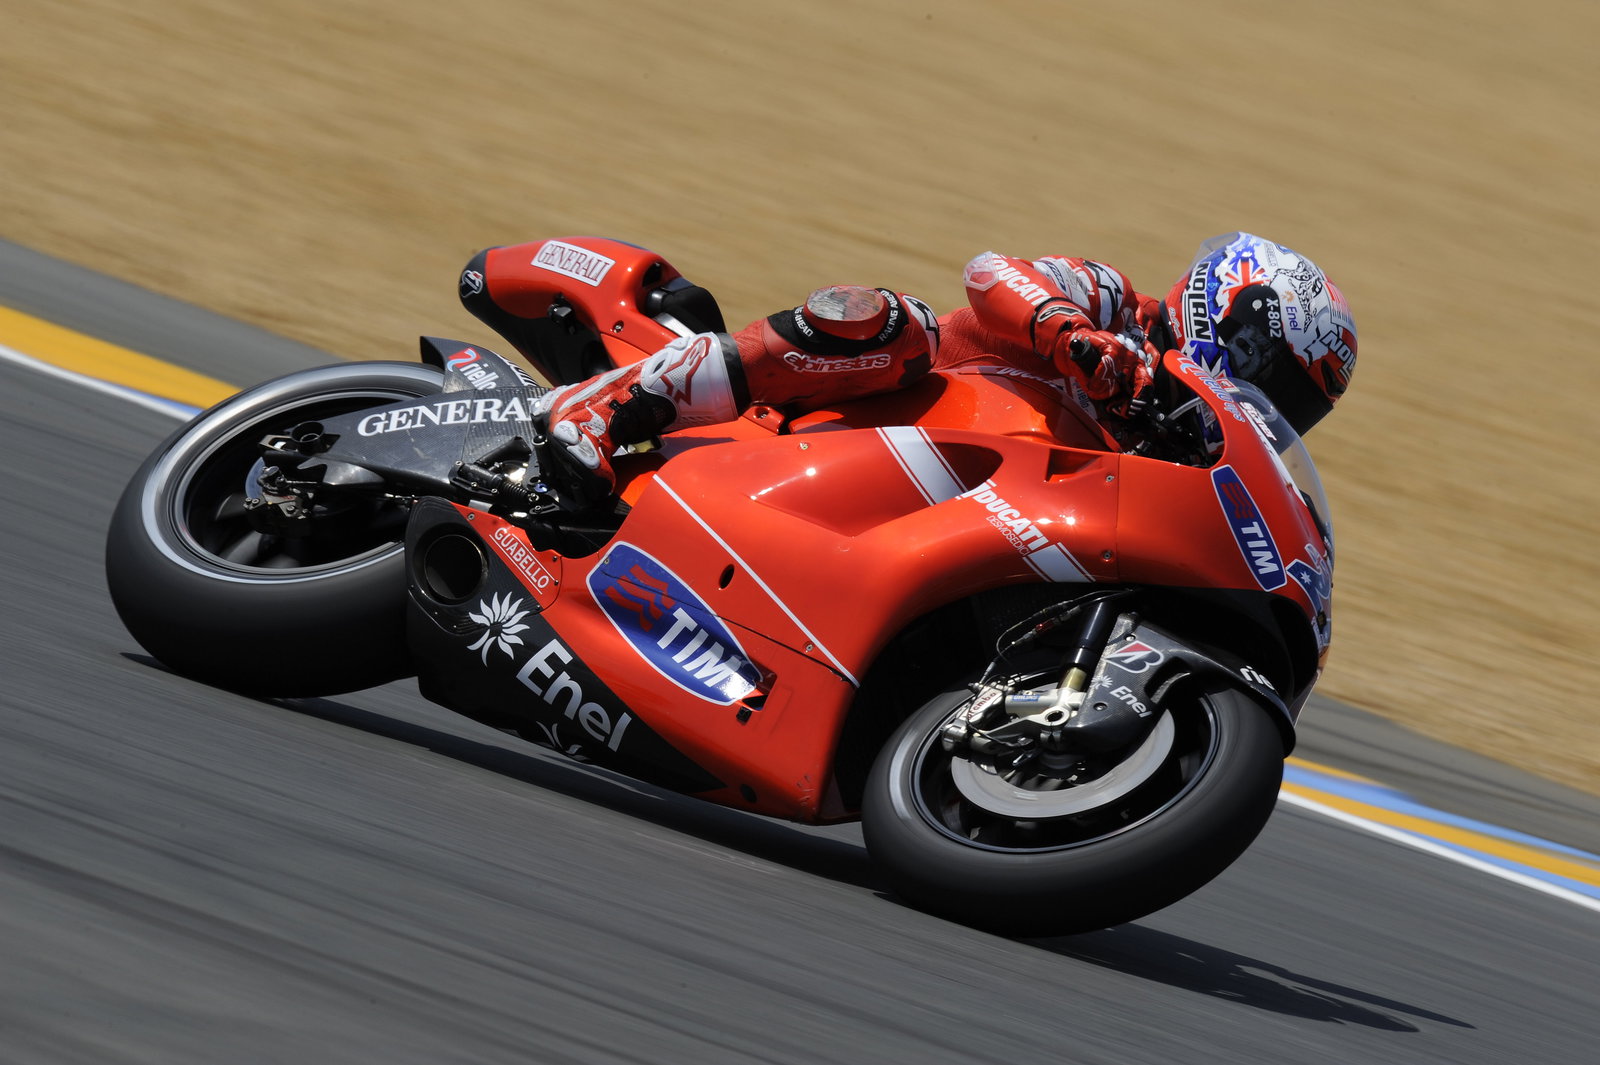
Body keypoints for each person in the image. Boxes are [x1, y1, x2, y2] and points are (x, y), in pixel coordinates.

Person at [466, 232, 1357, 497]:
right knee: (894, 324)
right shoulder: (1118, 308)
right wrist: (1071, 337)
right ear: (1230, 314)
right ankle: (606, 405)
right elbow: (993, 271)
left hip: (922, 498)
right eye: (1268, 372)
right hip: (868, 407)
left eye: (1292, 406)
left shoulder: (1182, 447)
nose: (1270, 406)